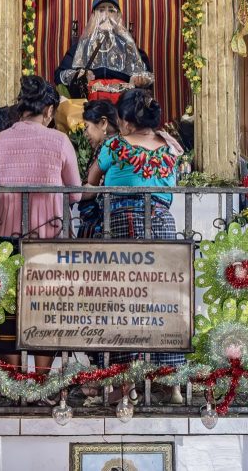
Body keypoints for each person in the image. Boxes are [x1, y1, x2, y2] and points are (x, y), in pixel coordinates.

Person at [0, 76, 81, 377]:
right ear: (48, 110)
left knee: (4, 308)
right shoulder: (60, 141)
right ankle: (40, 380)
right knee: (45, 307)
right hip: (49, 240)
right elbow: (75, 193)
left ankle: (12, 380)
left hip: (3, 240)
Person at [87, 89, 185, 399]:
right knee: (164, 299)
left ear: (126, 121)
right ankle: (169, 381)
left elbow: (91, 182)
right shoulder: (171, 148)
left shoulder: (115, 145)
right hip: (162, 223)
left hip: (122, 222)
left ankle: (122, 382)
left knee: (121, 299)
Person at [55, 0, 153, 104]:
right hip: (88, 106)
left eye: (111, 11)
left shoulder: (129, 48)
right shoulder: (80, 48)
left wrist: (140, 79)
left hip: (123, 108)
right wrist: (76, 75)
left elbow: (147, 76)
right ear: (93, 16)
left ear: (118, 16)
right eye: (101, 10)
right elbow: (59, 75)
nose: (106, 15)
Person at [76, 99, 119, 238]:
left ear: (103, 123)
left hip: (98, 222)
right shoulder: (120, 143)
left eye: (87, 127)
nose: (85, 133)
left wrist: (69, 193)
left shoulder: (107, 145)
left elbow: (94, 188)